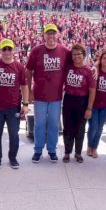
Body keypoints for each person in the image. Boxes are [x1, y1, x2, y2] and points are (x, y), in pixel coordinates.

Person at [26, 23, 72, 163]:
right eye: (48, 33)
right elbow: (29, 71)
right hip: (39, 95)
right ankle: (38, 150)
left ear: (57, 35)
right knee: (39, 124)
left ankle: (52, 150)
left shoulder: (65, 51)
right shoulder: (36, 50)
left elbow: (77, 63)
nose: (51, 36)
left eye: (53, 33)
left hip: (56, 96)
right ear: (44, 35)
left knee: (54, 124)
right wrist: (29, 91)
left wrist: (94, 67)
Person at [0, 38, 28, 170]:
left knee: (14, 134)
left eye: (9, 49)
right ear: (0, 50)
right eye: (4, 49)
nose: (6, 52)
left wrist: (26, 104)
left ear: (13, 51)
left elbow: (24, 86)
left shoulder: (19, 67)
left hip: (13, 107)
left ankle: (12, 158)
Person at [61, 44, 95, 163]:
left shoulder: (89, 71)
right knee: (67, 127)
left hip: (82, 101)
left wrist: (89, 108)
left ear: (84, 55)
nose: (76, 56)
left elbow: (92, 91)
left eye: (79, 54)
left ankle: (78, 153)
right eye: (74, 54)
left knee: (80, 129)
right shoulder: (68, 67)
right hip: (69, 99)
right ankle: (67, 152)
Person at [86, 49, 106, 159]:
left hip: (105, 105)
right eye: (104, 58)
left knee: (100, 128)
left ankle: (94, 147)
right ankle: (89, 145)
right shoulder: (95, 71)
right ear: (100, 60)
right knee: (93, 126)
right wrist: (95, 65)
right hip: (94, 104)